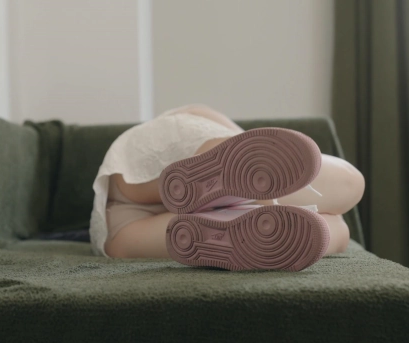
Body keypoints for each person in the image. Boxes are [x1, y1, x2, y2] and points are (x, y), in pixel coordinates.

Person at [89, 105, 365, 271]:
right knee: (347, 199)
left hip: (119, 223)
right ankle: (245, 205)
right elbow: (253, 152)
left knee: (329, 227)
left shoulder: (191, 120)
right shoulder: (196, 115)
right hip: (155, 160)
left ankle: (239, 201)